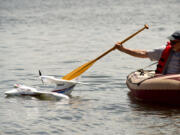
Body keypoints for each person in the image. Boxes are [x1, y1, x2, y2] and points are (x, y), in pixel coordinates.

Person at [115, 31, 180, 74]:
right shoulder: (164, 50)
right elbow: (143, 53)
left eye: (174, 42)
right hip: (166, 81)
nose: (171, 44)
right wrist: (123, 49)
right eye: (170, 41)